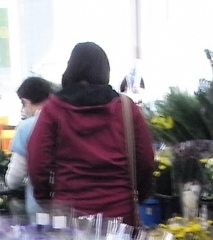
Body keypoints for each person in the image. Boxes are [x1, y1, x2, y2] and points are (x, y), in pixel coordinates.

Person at [28, 42, 155, 226]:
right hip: (119, 215)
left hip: (69, 217)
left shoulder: (54, 109)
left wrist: (45, 198)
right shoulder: (126, 108)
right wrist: (138, 195)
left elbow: (37, 161)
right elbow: (145, 160)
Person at [5, 76, 52, 220]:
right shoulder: (66, 120)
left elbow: (14, 179)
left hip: (39, 207)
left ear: (25, 101)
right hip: (68, 205)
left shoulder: (26, 127)